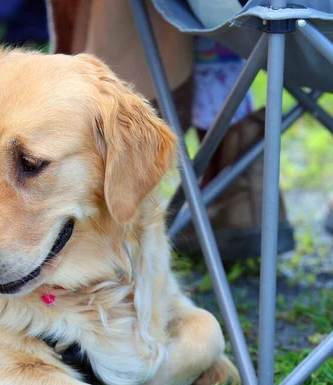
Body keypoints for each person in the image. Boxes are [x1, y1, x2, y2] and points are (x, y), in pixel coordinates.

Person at [46, 0, 299, 262]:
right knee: (230, 12)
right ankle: (237, 180)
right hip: (315, 24)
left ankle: (230, 180)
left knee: (216, 9)